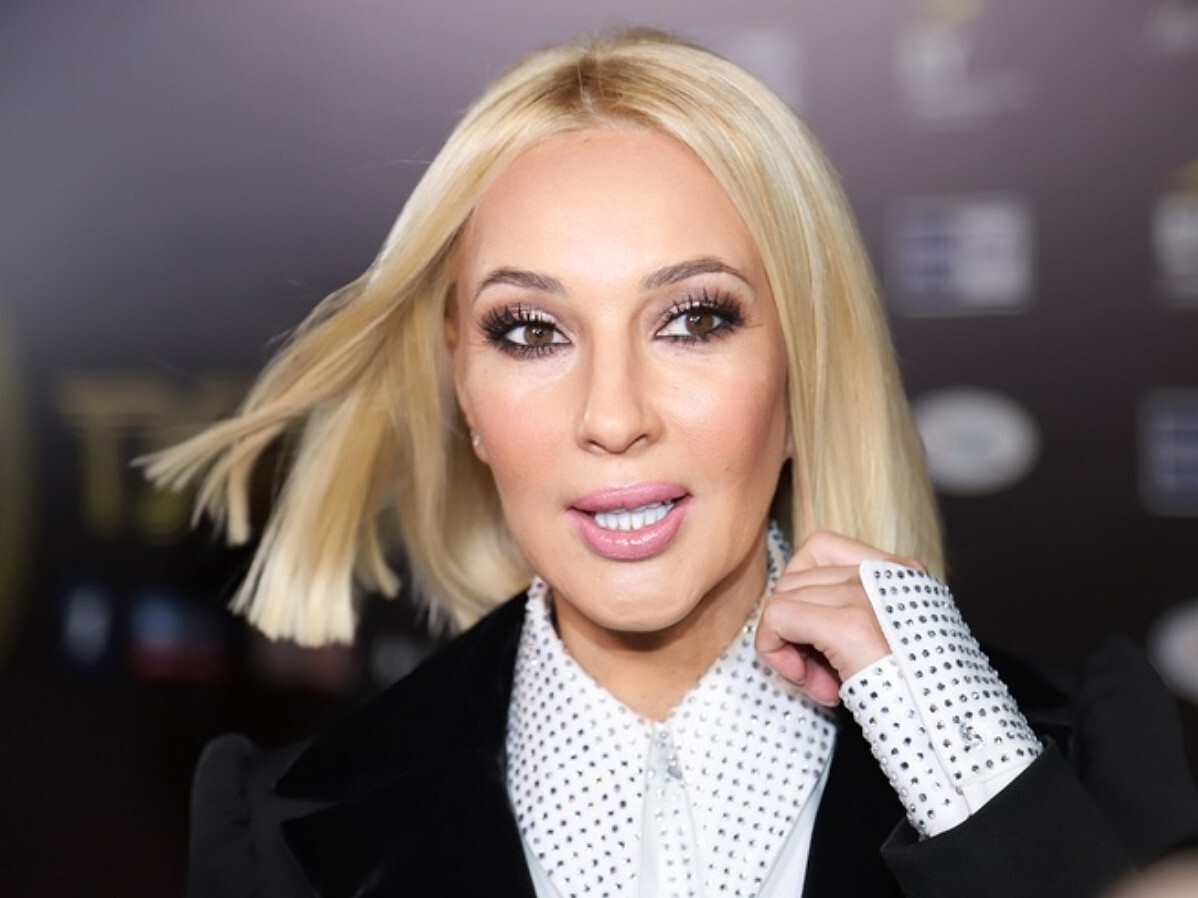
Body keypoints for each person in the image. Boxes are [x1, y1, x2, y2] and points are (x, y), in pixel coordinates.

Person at [148, 28, 1198, 898]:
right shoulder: (274, 830)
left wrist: (975, 780)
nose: (612, 416)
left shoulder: (1080, 757)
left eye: (693, 320)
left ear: (802, 367)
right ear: (463, 385)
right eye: (530, 331)